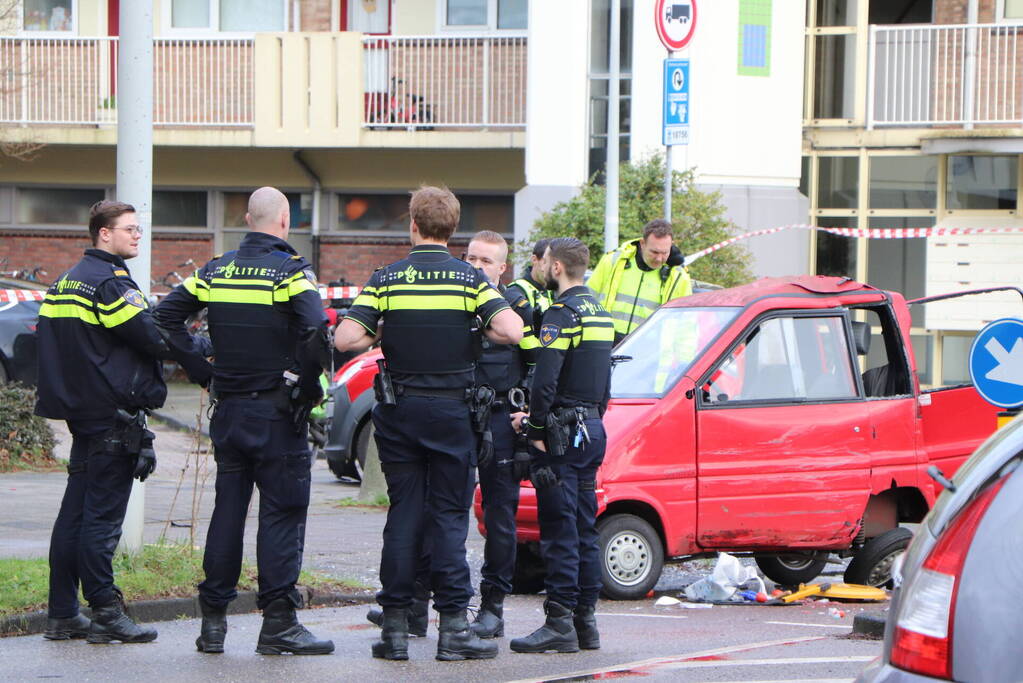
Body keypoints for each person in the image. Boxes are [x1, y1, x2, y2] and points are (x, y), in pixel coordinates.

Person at [334, 186, 522, 661]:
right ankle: (453, 629)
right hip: (453, 415)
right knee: (449, 518)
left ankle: (395, 630)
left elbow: (345, 338)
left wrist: (383, 329)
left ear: (413, 225)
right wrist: (477, 325)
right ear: (452, 229)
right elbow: (511, 330)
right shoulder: (468, 280)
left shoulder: (387, 279)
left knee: (403, 516)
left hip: (399, 413)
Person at [154, 187, 334, 656]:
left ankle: (212, 624)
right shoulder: (290, 271)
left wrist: (202, 370)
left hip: (229, 413)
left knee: (228, 512)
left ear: (248, 220)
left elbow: (165, 317)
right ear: (285, 220)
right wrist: (306, 385)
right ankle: (278, 623)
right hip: (276, 415)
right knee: (281, 514)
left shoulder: (216, 270)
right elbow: (317, 330)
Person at [36, 200, 178, 644]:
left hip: (82, 413)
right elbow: (152, 337)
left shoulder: (66, 281)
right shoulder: (110, 283)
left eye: (138, 229)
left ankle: (63, 613)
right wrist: (202, 348)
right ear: (104, 233)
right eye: (129, 229)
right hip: (112, 416)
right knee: (101, 520)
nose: (137, 236)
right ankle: (105, 612)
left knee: (74, 516)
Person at [510, 237, 614, 654]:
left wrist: (533, 426)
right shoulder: (600, 312)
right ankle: (585, 623)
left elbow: (545, 379)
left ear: (556, 267)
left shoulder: (561, 314)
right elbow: (605, 382)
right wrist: (592, 416)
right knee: (585, 528)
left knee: (558, 530)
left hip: (561, 436)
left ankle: (558, 624)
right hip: (591, 429)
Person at [463, 230, 538, 639]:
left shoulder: (515, 308)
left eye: (485, 261)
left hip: (499, 421)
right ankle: (422, 603)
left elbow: (536, 364)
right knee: (441, 511)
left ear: (502, 268)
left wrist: (527, 414)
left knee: (499, 517)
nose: (476, 267)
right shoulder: (454, 301)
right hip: (458, 417)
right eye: (471, 259)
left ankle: (492, 608)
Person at [586, 219, 692, 344]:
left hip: (646, 350)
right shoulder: (613, 261)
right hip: (604, 343)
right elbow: (586, 301)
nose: (659, 259)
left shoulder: (679, 278)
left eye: (664, 253)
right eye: (654, 252)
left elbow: (686, 326)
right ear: (642, 243)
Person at [506, 238, 552, 330]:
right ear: (534, 259)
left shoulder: (555, 291)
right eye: (546, 262)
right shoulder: (514, 291)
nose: (550, 269)